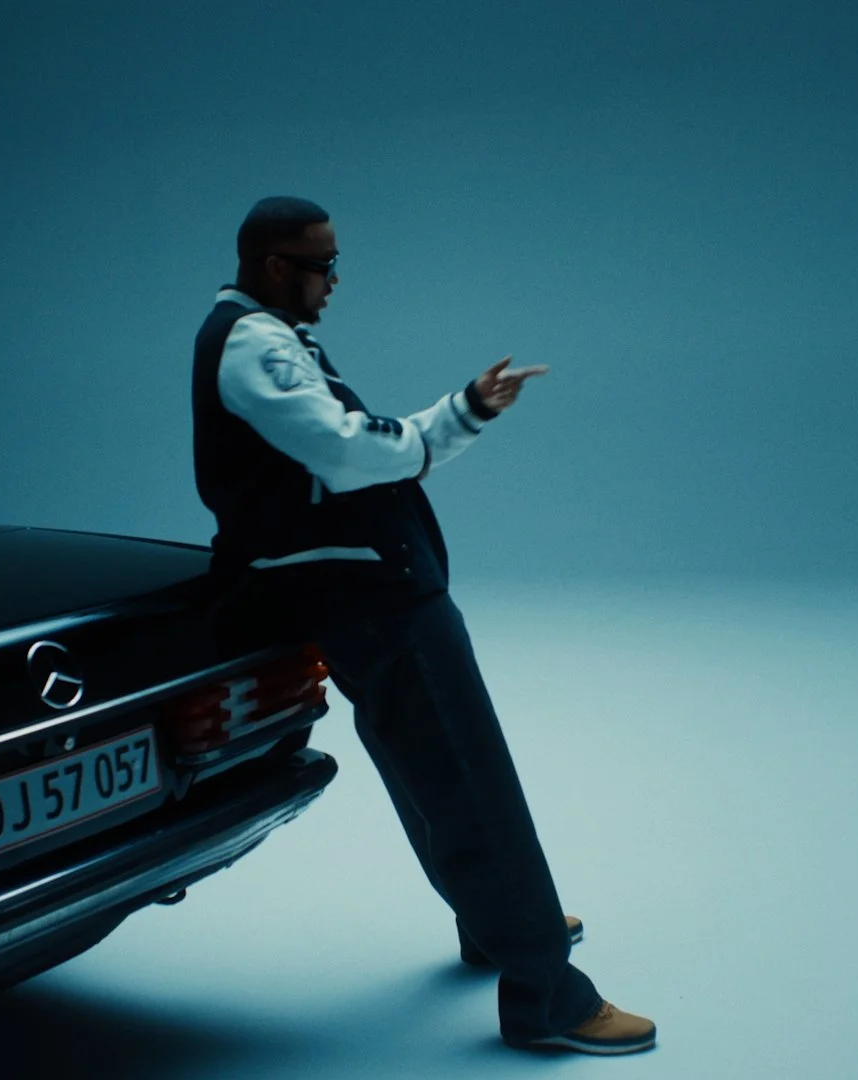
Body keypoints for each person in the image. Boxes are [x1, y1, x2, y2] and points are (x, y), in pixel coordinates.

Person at [191, 195, 656, 1056]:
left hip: (363, 589)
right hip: (372, 594)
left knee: (430, 770)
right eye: (322, 264)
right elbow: (342, 448)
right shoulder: (252, 343)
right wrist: (448, 423)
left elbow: (342, 452)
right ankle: (546, 993)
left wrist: (462, 412)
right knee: (470, 776)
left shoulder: (272, 337)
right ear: (272, 267)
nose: (335, 280)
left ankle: (495, 924)